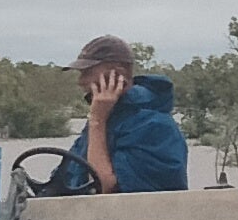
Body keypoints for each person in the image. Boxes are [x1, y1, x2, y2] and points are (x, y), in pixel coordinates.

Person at [55, 35, 188, 195]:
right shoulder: (106, 118)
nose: (81, 81)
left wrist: (97, 121)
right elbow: (63, 183)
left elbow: (104, 190)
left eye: (87, 72)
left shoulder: (156, 128)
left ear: (118, 74)